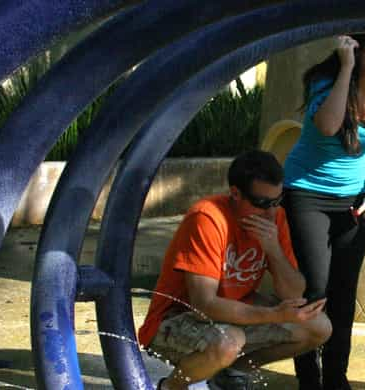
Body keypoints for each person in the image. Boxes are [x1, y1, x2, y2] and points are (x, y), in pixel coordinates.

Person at [137, 150, 332, 390]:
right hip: (173, 319)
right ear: (236, 193)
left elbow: (294, 294)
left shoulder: (275, 218)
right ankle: (170, 387)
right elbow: (204, 305)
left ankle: (232, 373)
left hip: (233, 313)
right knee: (230, 342)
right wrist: (275, 315)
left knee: (318, 327)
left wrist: (273, 249)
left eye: (276, 201)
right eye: (261, 203)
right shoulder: (208, 217)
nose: (270, 212)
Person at [283, 33, 365, 390]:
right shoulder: (326, 81)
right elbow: (328, 125)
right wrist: (349, 70)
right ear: (356, 49)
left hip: (355, 200)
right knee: (316, 290)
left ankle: (336, 377)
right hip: (307, 193)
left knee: (343, 292)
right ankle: (309, 377)